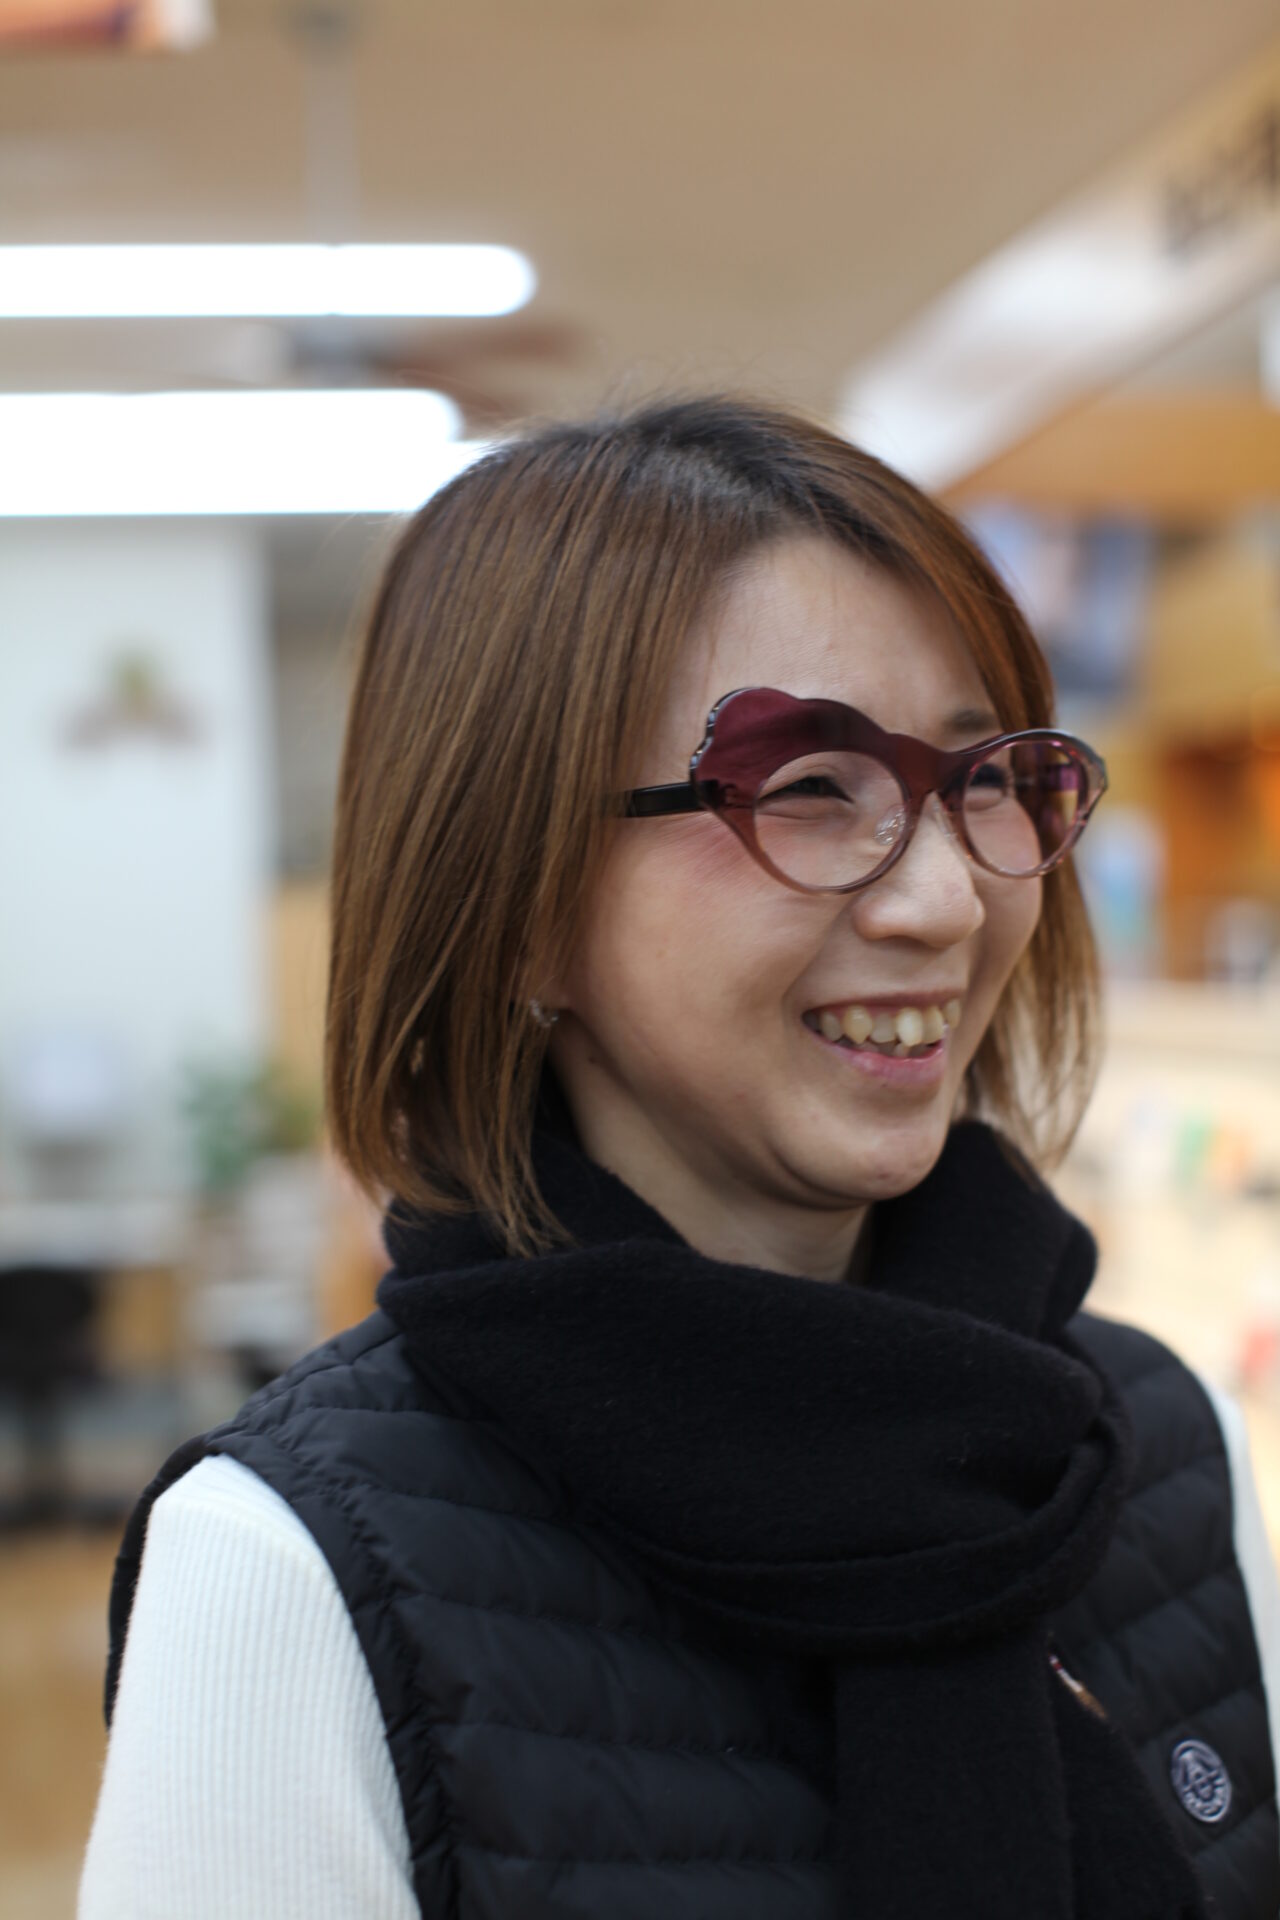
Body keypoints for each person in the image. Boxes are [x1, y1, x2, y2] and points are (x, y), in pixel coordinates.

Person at [79, 396, 1280, 1919]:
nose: (946, 902)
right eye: (810, 788)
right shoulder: (288, 1567)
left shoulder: (1158, 1445)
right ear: (516, 900)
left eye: (981, 778)